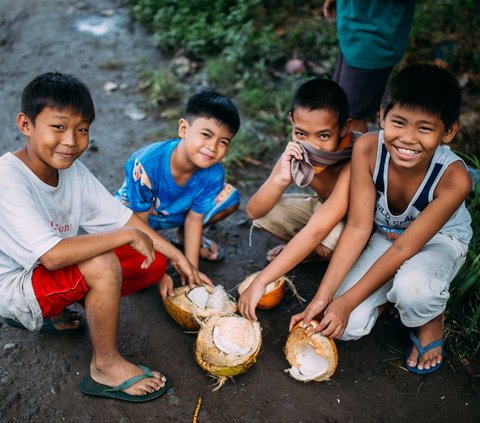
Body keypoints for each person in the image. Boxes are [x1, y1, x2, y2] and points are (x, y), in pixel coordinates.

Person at [0, 72, 207, 402]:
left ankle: (72, 307)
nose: (71, 140)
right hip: (15, 286)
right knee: (102, 262)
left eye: (82, 130)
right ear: (26, 124)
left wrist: (177, 256)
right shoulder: (8, 179)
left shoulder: (72, 170)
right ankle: (105, 367)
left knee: (151, 261)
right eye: (58, 127)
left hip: (46, 271)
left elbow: (122, 218)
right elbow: (52, 256)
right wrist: (124, 235)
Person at [290, 64, 472, 375]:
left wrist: (346, 302)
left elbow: (405, 249)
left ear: (449, 131)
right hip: (385, 234)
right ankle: (388, 294)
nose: (408, 139)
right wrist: (324, 298)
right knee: (343, 327)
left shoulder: (454, 179)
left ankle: (429, 317)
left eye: (425, 128)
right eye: (398, 123)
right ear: (382, 117)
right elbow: (360, 227)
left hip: (437, 241)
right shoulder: (367, 148)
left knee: (414, 291)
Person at [239, 78, 360, 321]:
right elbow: (253, 211)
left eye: (324, 136)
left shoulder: (357, 156)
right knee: (269, 210)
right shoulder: (297, 151)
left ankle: (341, 269)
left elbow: (318, 229)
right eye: (301, 133)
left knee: (323, 239)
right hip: (322, 211)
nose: (312, 145)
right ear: (292, 121)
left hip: (355, 226)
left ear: (344, 128)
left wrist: (262, 280)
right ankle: (304, 252)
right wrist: (282, 179)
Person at [115, 91, 240, 270]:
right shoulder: (146, 164)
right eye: (206, 134)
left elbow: (194, 220)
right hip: (136, 215)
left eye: (223, 142)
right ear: (183, 129)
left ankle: (183, 238)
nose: (212, 147)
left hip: (175, 214)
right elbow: (139, 223)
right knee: (123, 246)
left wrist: (192, 270)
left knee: (230, 197)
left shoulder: (214, 173)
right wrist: (161, 269)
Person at [323, 0, 415, 133]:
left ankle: (361, 153)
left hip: (372, 38)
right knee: (338, 104)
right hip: (353, 31)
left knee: (350, 116)